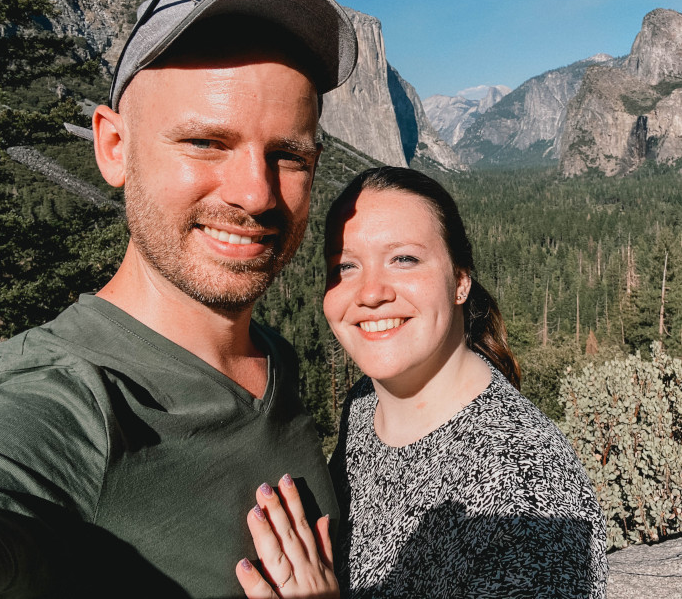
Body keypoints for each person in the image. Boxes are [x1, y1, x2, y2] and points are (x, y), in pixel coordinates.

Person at [0, 0, 359, 598]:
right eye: (206, 142)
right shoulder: (69, 401)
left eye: (289, 155)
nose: (256, 194)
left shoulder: (273, 359)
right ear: (113, 147)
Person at [245, 167, 609, 598]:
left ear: (460, 281)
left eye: (404, 259)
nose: (370, 292)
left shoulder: (527, 492)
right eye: (345, 266)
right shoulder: (364, 404)